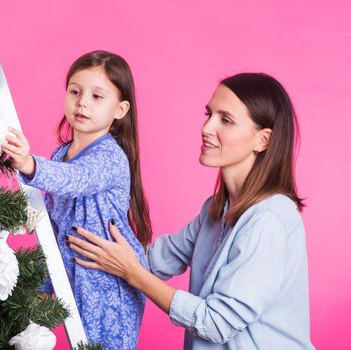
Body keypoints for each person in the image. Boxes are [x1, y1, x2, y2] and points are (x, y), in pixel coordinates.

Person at [67, 73, 315, 349]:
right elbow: (152, 260)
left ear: (262, 141)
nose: (207, 127)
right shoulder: (215, 211)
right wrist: (82, 238)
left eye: (226, 120)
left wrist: (133, 273)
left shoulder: (269, 220)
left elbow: (216, 323)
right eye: (209, 114)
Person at [1, 50, 153, 349]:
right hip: (74, 276)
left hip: (110, 283)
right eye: (75, 91)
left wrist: (30, 164)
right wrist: (44, 285)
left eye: (97, 96)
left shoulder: (110, 156)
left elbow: (76, 180)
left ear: (120, 109)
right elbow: (54, 227)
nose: (82, 102)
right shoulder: (61, 155)